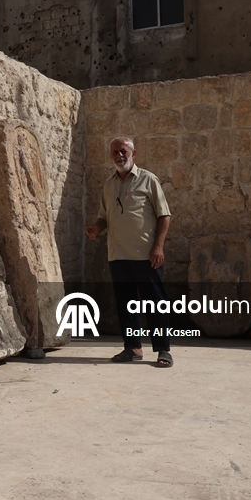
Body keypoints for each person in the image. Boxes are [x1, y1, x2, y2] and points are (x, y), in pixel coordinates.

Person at [86, 136, 173, 367]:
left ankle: (163, 350)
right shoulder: (109, 185)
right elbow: (104, 217)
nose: (119, 155)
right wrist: (96, 228)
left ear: (133, 153)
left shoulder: (148, 180)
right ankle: (132, 348)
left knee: (155, 303)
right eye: (115, 152)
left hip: (146, 255)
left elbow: (164, 215)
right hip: (118, 255)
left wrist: (158, 247)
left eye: (123, 151)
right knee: (125, 305)